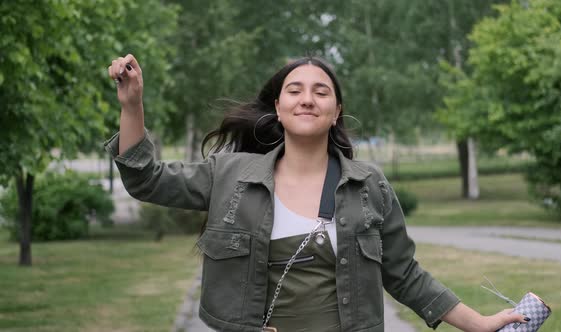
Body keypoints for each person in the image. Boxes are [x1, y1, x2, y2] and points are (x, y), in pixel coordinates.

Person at [105, 54, 528, 332]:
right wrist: (132, 106)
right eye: (295, 90)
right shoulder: (229, 175)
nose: (307, 99)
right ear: (278, 107)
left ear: (336, 111)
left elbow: (403, 273)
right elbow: (146, 179)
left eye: (320, 91)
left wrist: (479, 323)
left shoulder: (370, 186)